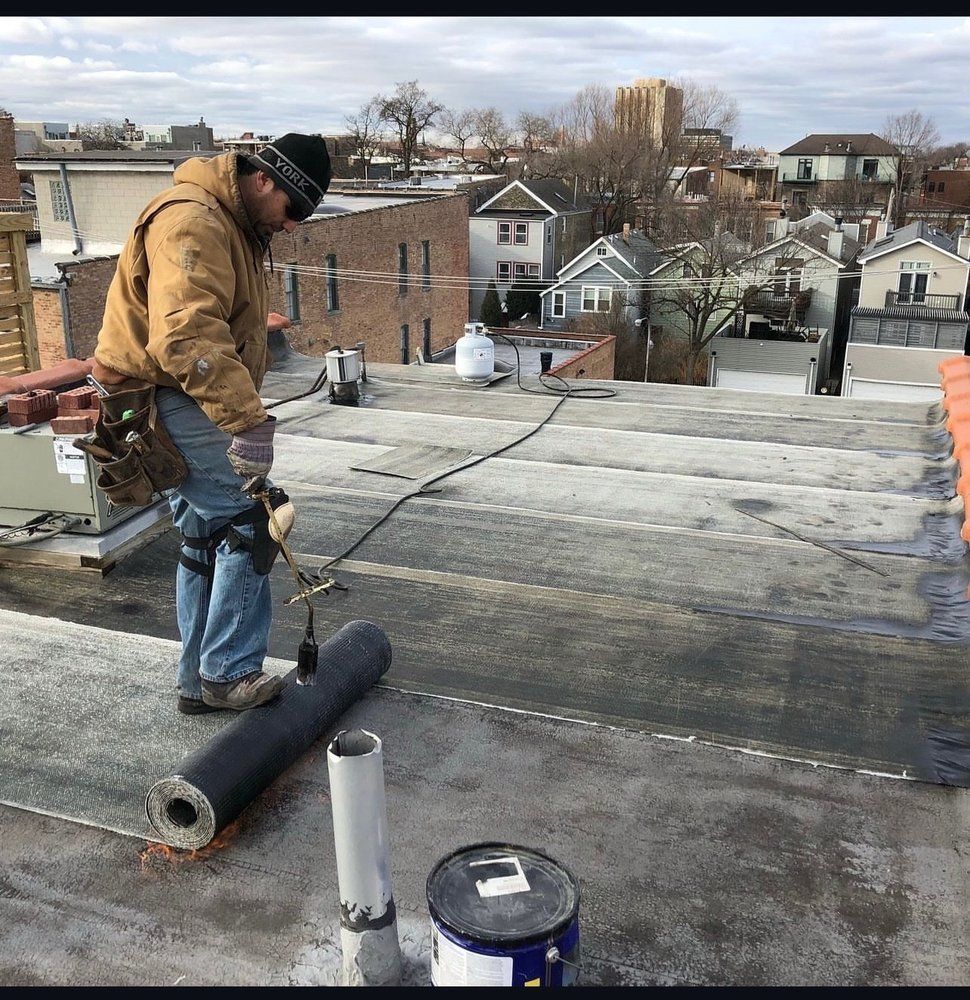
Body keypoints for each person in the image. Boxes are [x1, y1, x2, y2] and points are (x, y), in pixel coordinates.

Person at [91, 134, 332, 714]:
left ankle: (197, 680)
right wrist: (247, 421)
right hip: (167, 393)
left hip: (165, 392)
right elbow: (184, 336)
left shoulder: (230, 221)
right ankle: (227, 672)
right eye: (293, 208)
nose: (294, 225)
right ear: (265, 179)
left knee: (205, 532)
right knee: (254, 519)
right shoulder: (193, 222)